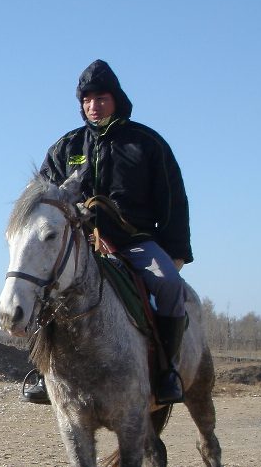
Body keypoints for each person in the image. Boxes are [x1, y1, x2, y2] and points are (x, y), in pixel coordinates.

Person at [24, 59, 191, 406]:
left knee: (171, 286)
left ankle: (167, 371)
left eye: (100, 98)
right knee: (39, 288)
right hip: (80, 247)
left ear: (116, 99)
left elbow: (173, 200)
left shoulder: (147, 144)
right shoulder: (65, 148)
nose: (93, 106)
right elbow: (40, 198)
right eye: (87, 100)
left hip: (135, 243)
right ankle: (44, 374)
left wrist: (175, 252)